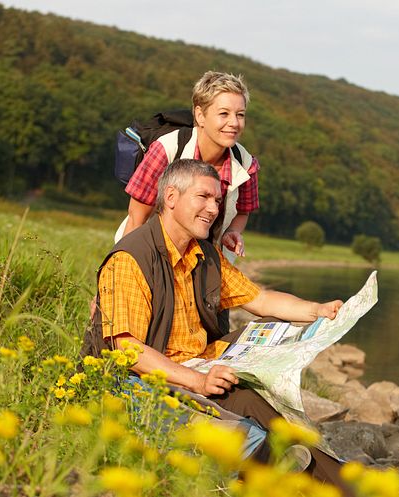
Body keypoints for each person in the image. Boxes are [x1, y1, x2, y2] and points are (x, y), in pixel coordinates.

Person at [88, 159, 352, 494]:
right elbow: (127, 348)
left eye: (217, 200)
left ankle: (348, 487)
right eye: (204, 197)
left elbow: (261, 301)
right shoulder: (131, 258)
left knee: (269, 411)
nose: (213, 209)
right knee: (253, 432)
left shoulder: (205, 254)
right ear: (170, 197)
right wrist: (198, 381)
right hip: (149, 382)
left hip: (199, 370)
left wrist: (318, 310)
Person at [120, 71, 260, 262]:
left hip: (209, 261)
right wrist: (120, 271)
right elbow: (136, 218)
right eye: (223, 114)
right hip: (153, 254)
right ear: (200, 115)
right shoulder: (167, 149)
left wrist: (232, 231)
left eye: (240, 114)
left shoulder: (246, 163)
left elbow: (243, 210)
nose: (234, 123)